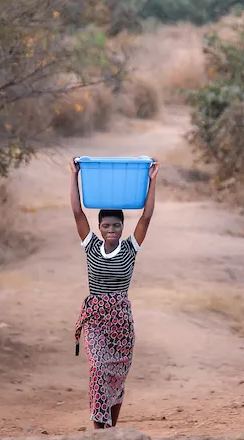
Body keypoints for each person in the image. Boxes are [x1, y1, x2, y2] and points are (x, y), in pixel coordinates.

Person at [70, 157, 160, 429]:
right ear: (99, 228)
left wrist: (153, 180)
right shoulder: (91, 247)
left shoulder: (130, 249)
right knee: (98, 368)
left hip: (121, 319)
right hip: (96, 318)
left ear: (122, 228)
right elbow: (77, 213)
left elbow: (146, 216)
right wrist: (74, 176)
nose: (111, 230)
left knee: (118, 374)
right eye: (106, 226)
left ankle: (112, 430)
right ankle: (99, 430)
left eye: (116, 226)